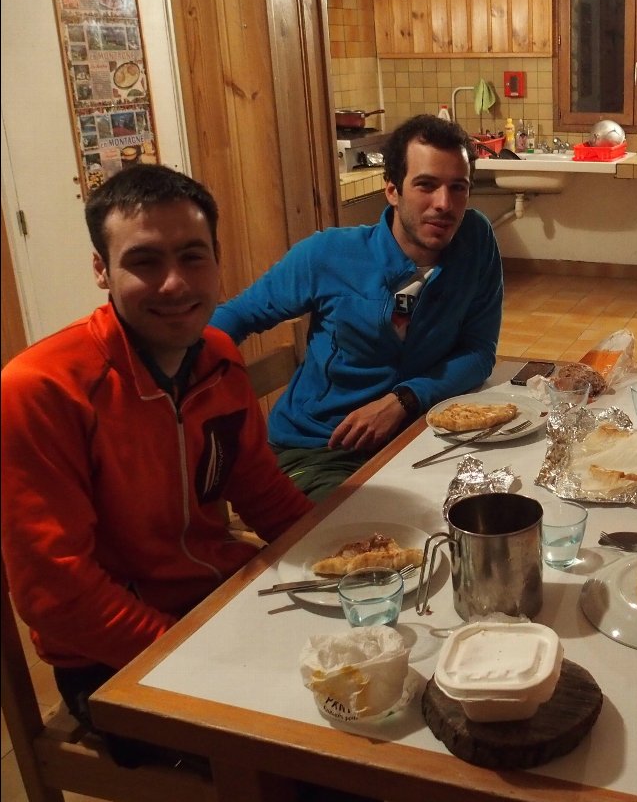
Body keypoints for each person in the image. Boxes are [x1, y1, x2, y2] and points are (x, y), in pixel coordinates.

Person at [0, 164, 315, 768]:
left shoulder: (217, 358)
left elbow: (264, 493)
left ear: (218, 262)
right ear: (102, 270)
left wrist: (346, 557)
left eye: (192, 257)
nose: (174, 283)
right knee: (318, 753)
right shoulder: (41, 390)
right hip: (113, 659)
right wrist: (186, 650)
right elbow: (54, 593)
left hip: (219, 602)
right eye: (144, 261)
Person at [211, 114, 503, 500]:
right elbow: (233, 318)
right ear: (392, 190)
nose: (444, 204)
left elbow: (479, 353)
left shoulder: (476, 239)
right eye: (426, 185)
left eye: (458, 188)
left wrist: (405, 398)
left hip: (417, 433)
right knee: (374, 542)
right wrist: (182, 396)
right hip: (320, 450)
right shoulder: (330, 254)